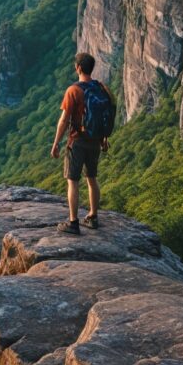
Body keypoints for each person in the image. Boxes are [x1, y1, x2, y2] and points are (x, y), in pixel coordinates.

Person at [50, 52, 114, 234]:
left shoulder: (73, 91)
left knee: (73, 181)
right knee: (92, 179)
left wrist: (56, 143)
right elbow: (105, 116)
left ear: (78, 68)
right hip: (95, 141)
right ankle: (93, 217)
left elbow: (64, 120)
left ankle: (73, 222)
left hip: (77, 141)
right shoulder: (101, 88)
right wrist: (104, 140)